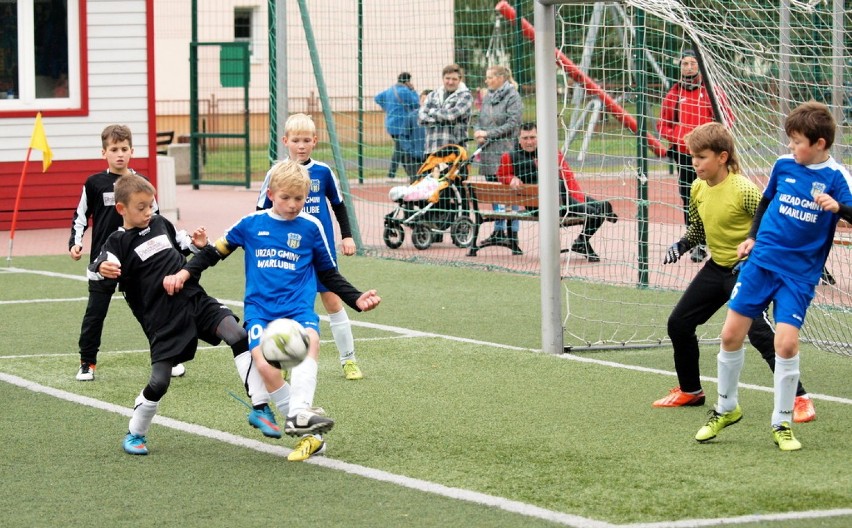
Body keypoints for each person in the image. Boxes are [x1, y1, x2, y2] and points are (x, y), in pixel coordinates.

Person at [192, 160, 381, 461]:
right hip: (261, 311)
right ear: (270, 194)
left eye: (299, 199)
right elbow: (214, 253)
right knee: (266, 367)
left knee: (310, 344)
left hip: (297, 307)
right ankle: (311, 435)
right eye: (285, 198)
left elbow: (328, 274)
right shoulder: (250, 225)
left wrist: (356, 298)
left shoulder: (311, 227)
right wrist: (184, 273)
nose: (293, 205)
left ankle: (298, 413)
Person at [694, 101, 852, 451]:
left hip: (798, 275)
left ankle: (781, 423)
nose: (791, 148)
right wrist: (751, 236)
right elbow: (766, 203)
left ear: (819, 144)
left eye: (797, 141)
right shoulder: (783, 166)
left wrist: (838, 208)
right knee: (730, 335)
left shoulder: (838, 178)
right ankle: (726, 408)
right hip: (761, 263)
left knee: (786, 344)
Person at [87, 174, 265, 455]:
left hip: (195, 300)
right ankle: (135, 432)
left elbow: (184, 245)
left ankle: (260, 405)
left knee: (238, 335)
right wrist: (102, 269)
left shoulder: (160, 223)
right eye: (141, 207)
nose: (148, 212)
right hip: (163, 320)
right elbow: (100, 263)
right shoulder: (117, 241)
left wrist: (198, 243)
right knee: (159, 382)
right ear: (121, 209)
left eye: (151, 205)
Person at [655, 122, 815, 424]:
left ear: (722, 156)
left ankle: (800, 398)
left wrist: (755, 253)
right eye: (692, 157)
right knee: (679, 323)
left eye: (701, 157)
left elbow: (772, 223)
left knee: (759, 333)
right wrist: (682, 244)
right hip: (718, 268)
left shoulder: (743, 189)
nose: (695, 163)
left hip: (749, 270)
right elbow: (699, 227)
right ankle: (691, 390)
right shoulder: (697, 187)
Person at [69, 124, 185, 381]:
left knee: (148, 310)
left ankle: (167, 357)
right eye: (113, 149)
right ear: (104, 152)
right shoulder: (94, 183)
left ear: (132, 150)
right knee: (95, 313)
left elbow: (156, 220)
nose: (119, 154)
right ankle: (87, 362)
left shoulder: (141, 184)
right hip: (105, 261)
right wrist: (75, 243)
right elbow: (80, 216)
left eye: (124, 149)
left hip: (138, 261)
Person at [257, 113, 364, 381]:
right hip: (287, 254)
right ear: (285, 141)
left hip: (321, 251)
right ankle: (282, 357)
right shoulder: (276, 173)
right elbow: (261, 210)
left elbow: (339, 205)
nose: (301, 145)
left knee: (332, 301)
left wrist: (347, 236)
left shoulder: (323, 172)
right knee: (287, 305)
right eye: (296, 140)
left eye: (306, 140)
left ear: (315, 141)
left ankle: (348, 360)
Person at [495, 122, 617, 259]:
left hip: (563, 197)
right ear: (519, 139)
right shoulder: (510, 157)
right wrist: (510, 179)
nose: (529, 142)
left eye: (532, 137)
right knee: (595, 213)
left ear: (539, 137)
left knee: (601, 207)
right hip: (545, 206)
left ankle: (583, 240)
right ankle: (582, 242)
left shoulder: (550, 151)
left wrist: (578, 197)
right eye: (525, 138)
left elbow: (567, 176)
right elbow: (501, 174)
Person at [657, 49, 733, 263]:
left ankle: (719, 238)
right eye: (685, 64)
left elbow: (727, 119)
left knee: (715, 196)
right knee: (689, 198)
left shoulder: (711, 91)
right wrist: (680, 138)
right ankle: (695, 243)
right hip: (685, 155)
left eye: (692, 63)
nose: (688, 67)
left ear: (699, 65)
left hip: (710, 156)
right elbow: (663, 125)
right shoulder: (674, 93)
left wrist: (711, 141)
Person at [473, 65, 523, 248]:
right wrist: (478, 131)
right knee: (494, 190)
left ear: (501, 77)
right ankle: (498, 229)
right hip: (488, 151)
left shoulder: (513, 97)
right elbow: (479, 118)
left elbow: (512, 124)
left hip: (506, 151)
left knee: (510, 191)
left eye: (490, 77)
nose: (486, 81)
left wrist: (488, 134)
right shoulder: (487, 97)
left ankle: (512, 232)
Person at [418, 64, 474, 157]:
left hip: (454, 151)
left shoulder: (465, 96)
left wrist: (431, 112)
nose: (450, 82)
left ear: (460, 80)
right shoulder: (432, 95)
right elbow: (421, 118)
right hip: (431, 149)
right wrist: (442, 118)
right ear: (443, 78)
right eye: (447, 78)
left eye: (454, 79)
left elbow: (451, 115)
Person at [375, 72, 420, 179]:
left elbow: (377, 98)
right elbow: (416, 103)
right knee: (400, 150)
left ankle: (410, 173)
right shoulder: (406, 91)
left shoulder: (390, 90)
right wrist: (413, 91)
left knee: (402, 149)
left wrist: (386, 107)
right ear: (408, 81)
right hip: (402, 125)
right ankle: (391, 174)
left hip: (390, 124)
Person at [398, 89, 431, 181]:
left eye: (428, 100)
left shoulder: (439, 117)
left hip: (433, 158)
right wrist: (411, 151)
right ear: (419, 101)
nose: (425, 102)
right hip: (415, 159)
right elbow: (403, 136)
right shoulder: (412, 116)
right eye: (423, 100)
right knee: (416, 183)